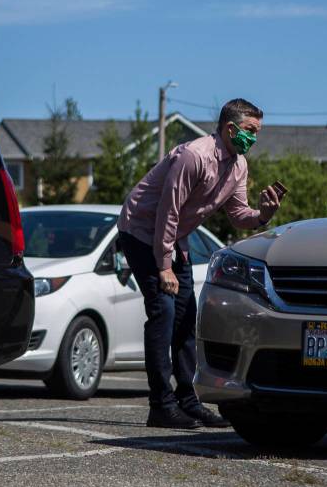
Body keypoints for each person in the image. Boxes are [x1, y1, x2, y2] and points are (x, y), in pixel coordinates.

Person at [118, 98, 282, 429]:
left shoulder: (238, 166)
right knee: (163, 311)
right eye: (250, 131)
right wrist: (164, 266)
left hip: (174, 237)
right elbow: (169, 210)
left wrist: (263, 213)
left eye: (258, 132)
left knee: (185, 316)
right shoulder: (194, 156)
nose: (254, 138)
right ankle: (160, 405)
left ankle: (188, 401)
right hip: (140, 230)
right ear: (230, 128)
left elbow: (238, 216)